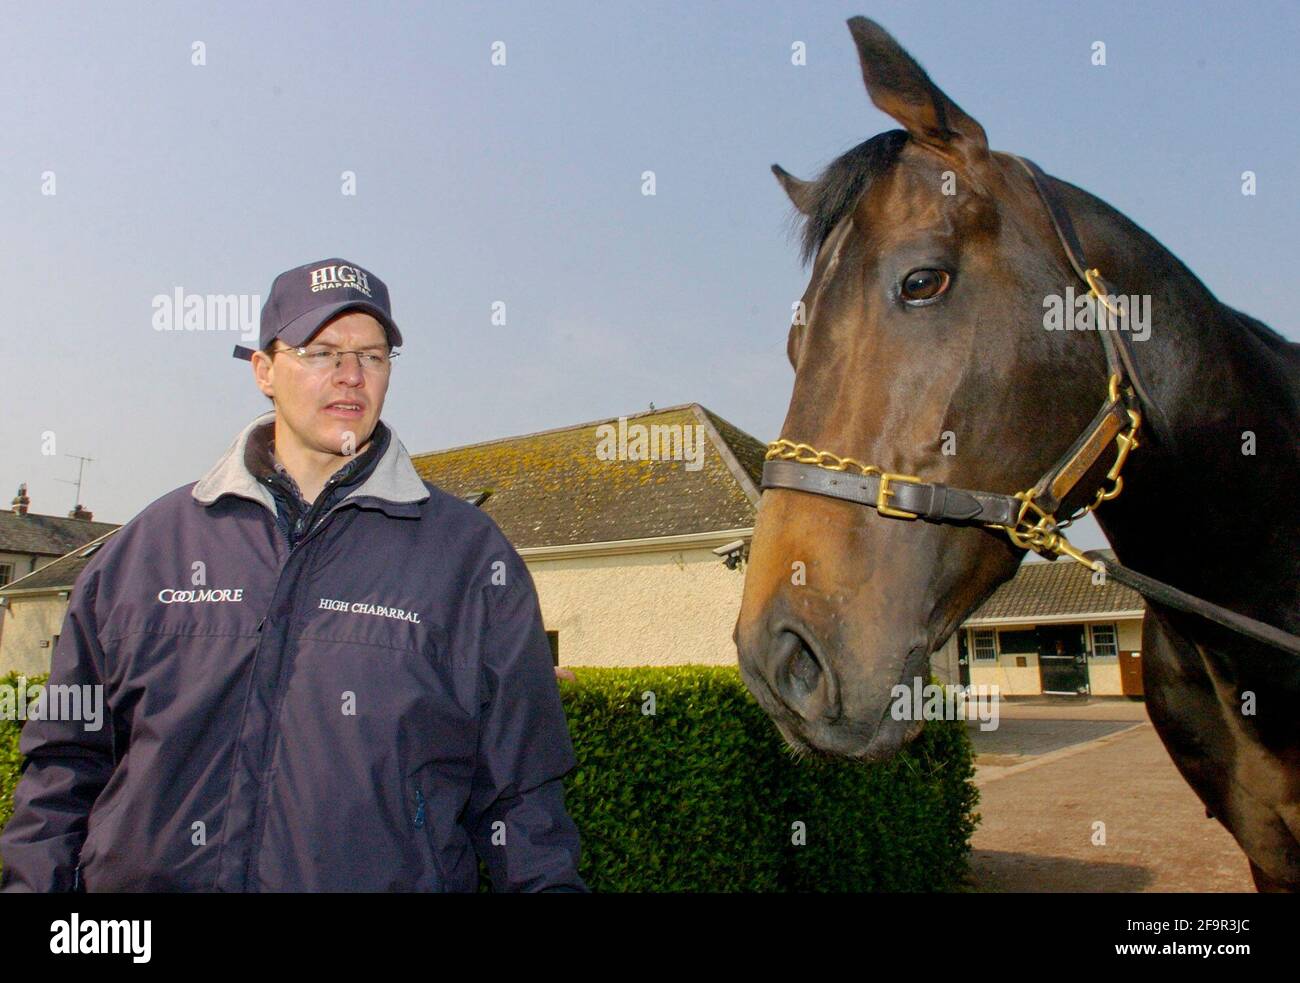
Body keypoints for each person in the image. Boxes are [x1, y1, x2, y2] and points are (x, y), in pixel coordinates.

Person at [0, 257, 586, 892]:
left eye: (374, 355)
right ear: (263, 371)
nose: (351, 376)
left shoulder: (469, 560)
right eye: (321, 351)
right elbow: (63, 768)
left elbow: (523, 798)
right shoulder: (146, 549)